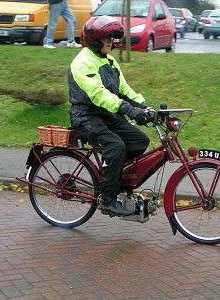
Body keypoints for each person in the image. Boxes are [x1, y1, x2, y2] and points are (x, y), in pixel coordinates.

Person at [68, 15, 154, 216]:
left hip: (107, 115)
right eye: (107, 38)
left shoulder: (110, 61)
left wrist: (145, 107)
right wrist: (128, 110)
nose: (112, 42)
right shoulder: (82, 62)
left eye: (113, 38)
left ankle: (111, 177)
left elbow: (124, 90)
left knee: (140, 141)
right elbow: (99, 95)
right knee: (116, 147)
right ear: (94, 40)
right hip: (86, 116)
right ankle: (107, 199)